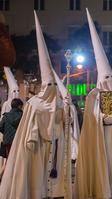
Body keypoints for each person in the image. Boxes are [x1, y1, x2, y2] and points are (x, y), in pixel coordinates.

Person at [0, 12, 72, 199]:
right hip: (38, 147)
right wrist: (32, 138)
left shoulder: (59, 104)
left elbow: (66, 123)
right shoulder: (33, 103)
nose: (53, 89)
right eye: (50, 85)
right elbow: (30, 127)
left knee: (53, 178)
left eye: (55, 85)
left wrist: (67, 112)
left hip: (56, 145)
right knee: (38, 177)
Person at [75, 9, 112, 199]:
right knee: (107, 164)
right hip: (103, 137)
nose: (109, 80)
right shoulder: (94, 95)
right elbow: (92, 118)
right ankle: (105, 191)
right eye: (106, 77)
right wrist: (105, 117)